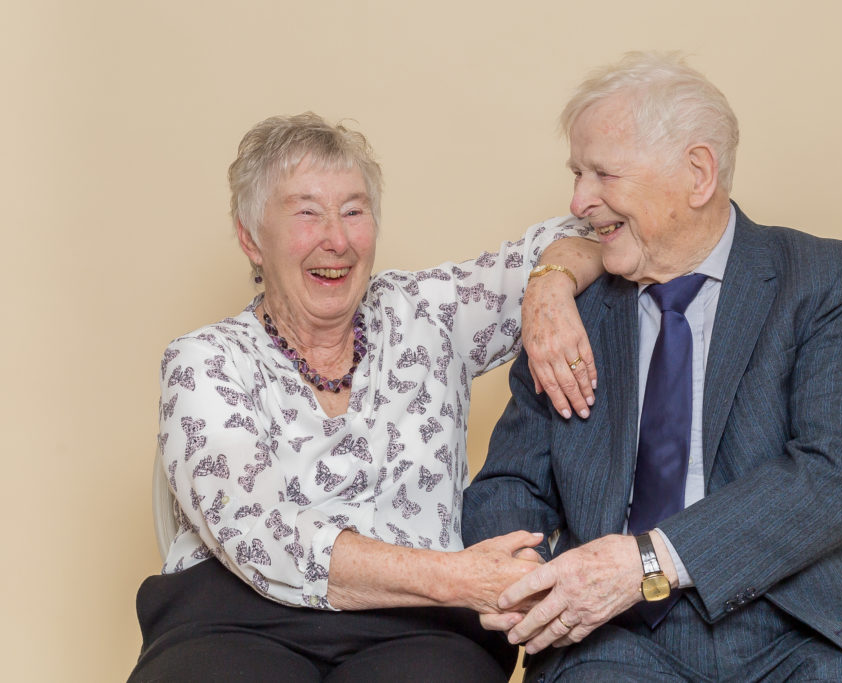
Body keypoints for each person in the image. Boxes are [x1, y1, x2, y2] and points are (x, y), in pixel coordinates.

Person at [462, 52, 842, 682]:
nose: (579, 200)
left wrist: (646, 564)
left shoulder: (823, 280)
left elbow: (838, 468)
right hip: (616, 636)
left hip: (801, 618)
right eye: (577, 173)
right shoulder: (567, 310)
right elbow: (508, 486)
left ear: (696, 173)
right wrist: (534, 578)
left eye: (603, 174)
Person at [129, 112, 605, 682]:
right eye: (307, 212)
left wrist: (549, 285)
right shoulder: (205, 362)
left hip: (419, 631)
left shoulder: (430, 313)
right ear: (250, 238)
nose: (337, 239)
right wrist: (460, 578)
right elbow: (263, 533)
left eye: (354, 211)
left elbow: (594, 231)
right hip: (233, 620)